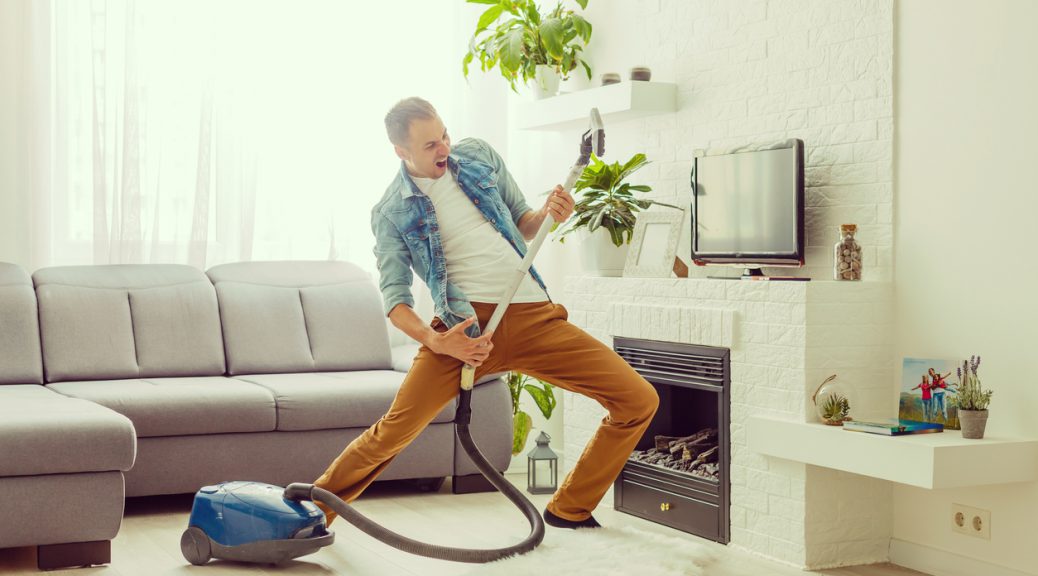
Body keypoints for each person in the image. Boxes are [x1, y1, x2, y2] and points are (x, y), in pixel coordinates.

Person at [313, 97, 659, 530]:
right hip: (464, 330)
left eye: (444, 136)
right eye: (428, 146)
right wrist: (438, 340)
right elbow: (395, 302)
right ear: (401, 152)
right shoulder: (391, 211)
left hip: (534, 315)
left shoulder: (478, 157)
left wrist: (550, 214)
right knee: (392, 432)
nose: (443, 149)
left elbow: (524, 224)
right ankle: (310, 512)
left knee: (639, 399)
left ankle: (569, 508)